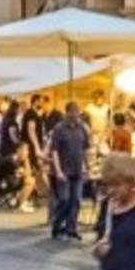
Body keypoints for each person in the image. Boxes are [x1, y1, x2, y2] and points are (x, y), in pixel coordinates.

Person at [45, 103, 89, 241]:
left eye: (78, 112)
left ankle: (71, 228)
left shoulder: (82, 128)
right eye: (74, 112)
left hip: (77, 170)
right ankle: (57, 226)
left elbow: (85, 149)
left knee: (76, 200)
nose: (76, 115)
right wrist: (58, 171)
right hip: (63, 170)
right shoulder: (59, 129)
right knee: (64, 199)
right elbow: (55, 151)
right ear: (67, 113)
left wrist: (86, 166)